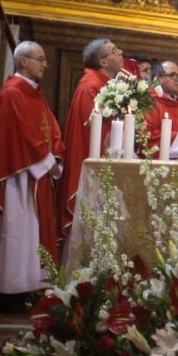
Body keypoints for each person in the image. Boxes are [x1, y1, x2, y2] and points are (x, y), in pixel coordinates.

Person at [0, 42, 64, 296]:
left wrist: (56, 155)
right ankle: (9, 287)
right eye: (39, 59)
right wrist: (48, 161)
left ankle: (30, 284)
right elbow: (22, 135)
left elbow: (49, 126)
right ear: (22, 62)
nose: (45, 64)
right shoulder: (12, 93)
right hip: (17, 176)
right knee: (17, 229)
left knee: (32, 231)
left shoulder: (33, 93)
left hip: (36, 173)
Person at [58, 37, 123, 240]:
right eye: (114, 50)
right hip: (94, 166)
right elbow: (91, 131)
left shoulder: (107, 85)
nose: (120, 52)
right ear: (103, 62)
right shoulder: (91, 87)